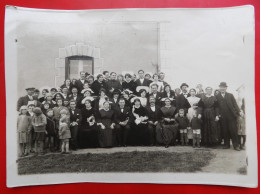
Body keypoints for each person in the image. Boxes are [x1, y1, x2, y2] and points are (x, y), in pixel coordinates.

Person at [215, 82, 242, 151]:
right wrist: (217, 115)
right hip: (223, 116)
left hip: (231, 116)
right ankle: (226, 144)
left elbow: (235, 104)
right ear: (219, 88)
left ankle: (236, 146)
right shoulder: (217, 96)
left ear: (226, 88)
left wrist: (239, 111)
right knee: (225, 130)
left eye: (224, 87)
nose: (222, 88)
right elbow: (217, 107)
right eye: (221, 87)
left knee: (233, 130)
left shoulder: (230, 95)